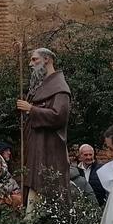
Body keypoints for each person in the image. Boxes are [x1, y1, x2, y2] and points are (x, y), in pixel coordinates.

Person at [15, 48, 71, 208]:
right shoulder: (40, 87)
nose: (30, 64)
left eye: (34, 60)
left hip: (48, 149)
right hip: (35, 146)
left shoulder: (59, 87)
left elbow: (59, 116)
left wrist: (31, 109)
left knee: (45, 187)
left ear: (47, 60)